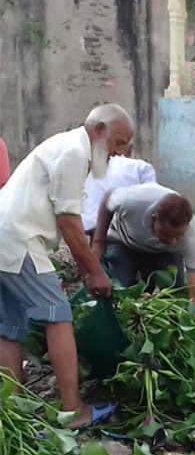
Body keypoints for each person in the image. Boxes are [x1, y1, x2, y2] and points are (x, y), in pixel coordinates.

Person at [0, 104, 134, 428]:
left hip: (6, 236)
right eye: (118, 143)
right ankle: (73, 409)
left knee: (10, 327)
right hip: (19, 240)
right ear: (99, 130)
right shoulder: (74, 152)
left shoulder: (67, 147)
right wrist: (95, 272)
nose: (119, 153)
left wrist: (86, 268)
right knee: (59, 314)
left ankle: (11, 409)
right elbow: (71, 225)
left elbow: (67, 224)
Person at [92, 183, 195, 322]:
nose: (173, 241)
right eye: (166, 234)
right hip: (124, 242)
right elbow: (107, 198)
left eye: (178, 237)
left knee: (176, 297)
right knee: (121, 292)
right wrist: (98, 242)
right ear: (154, 218)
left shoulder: (191, 237)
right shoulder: (133, 200)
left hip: (165, 254)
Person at [82, 148, 156, 234]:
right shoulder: (142, 167)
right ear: (130, 149)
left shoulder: (91, 165)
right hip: (122, 230)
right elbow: (150, 202)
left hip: (88, 226)